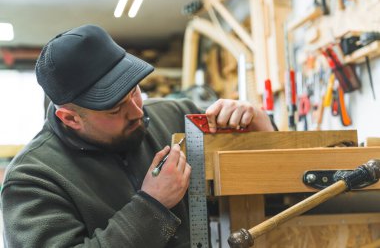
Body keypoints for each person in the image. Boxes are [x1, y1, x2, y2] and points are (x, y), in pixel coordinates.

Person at [1, 24, 274, 247]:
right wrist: (152, 207)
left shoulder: (177, 114)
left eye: (134, 91)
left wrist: (259, 122)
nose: (136, 112)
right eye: (114, 109)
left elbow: (273, 176)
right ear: (71, 118)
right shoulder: (32, 179)